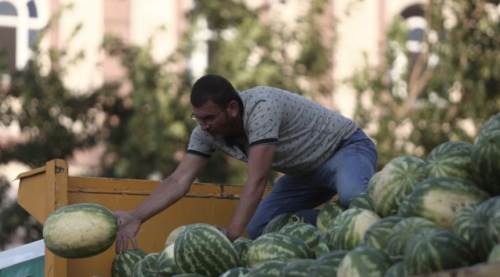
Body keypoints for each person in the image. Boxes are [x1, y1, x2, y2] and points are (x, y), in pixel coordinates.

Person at [114, 74, 377, 252]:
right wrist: (136, 217)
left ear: (231, 108)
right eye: (198, 119)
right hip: (306, 173)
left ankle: (376, 229)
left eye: (209, 118)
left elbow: (257, 179)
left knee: (354, 197)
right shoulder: (207, 132)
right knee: (260, 228)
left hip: (345, 148)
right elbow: (179, 179)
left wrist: (230, 235)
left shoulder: (262, 107)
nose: (204, 126)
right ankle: (329, 225)